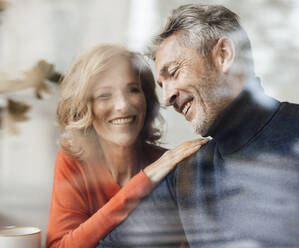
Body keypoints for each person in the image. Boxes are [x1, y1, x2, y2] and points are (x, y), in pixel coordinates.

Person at [99, 4, 299, 248]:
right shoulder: (186, 177)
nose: (167, 97)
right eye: (162, 84)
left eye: (173, 73)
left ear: (224, 55)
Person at [46, 44, 208, 248]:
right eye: (105, 95)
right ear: (84, 107)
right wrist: (145, 180)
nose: (123, 105)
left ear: (146, 99)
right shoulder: (73, 163)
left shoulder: (172, 166)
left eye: (133, 90)